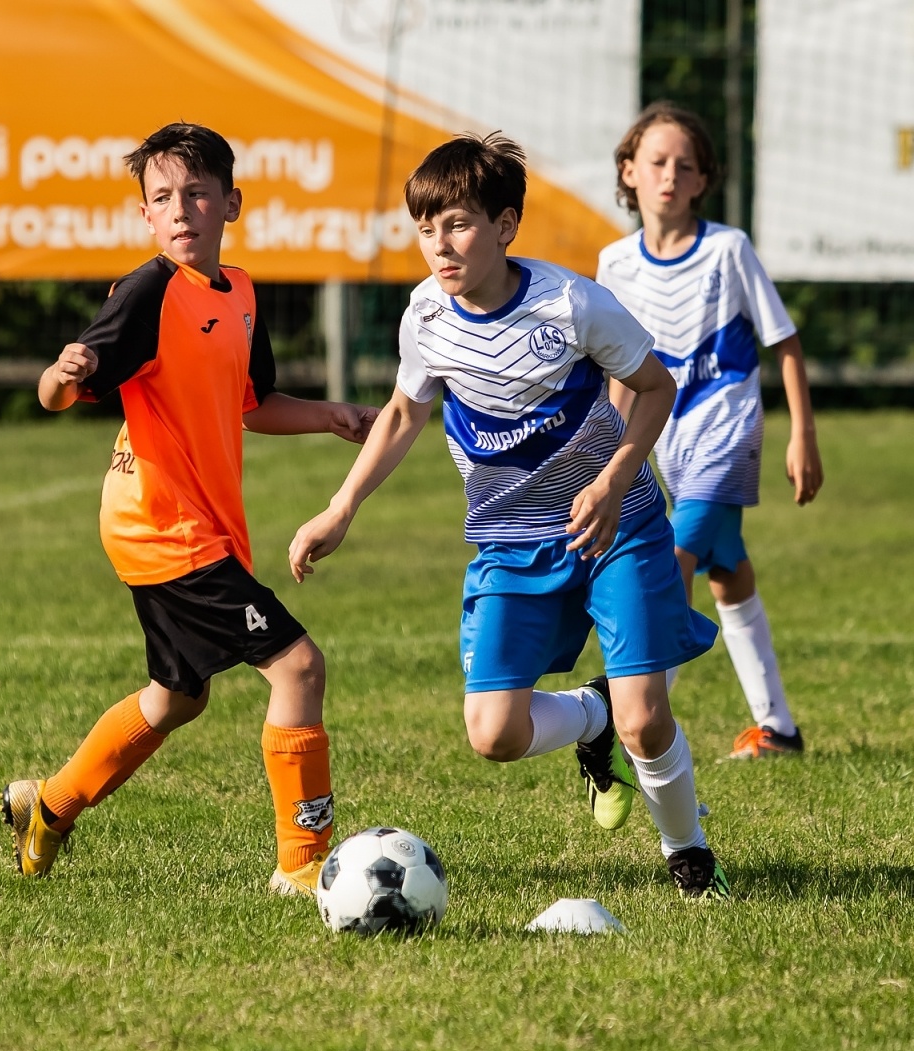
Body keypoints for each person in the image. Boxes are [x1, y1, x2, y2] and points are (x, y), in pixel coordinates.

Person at [289, 132, 732, 897]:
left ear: (505, 225)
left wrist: (614, 477)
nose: (440, 246)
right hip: (509, 543)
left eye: (457, 224)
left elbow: (655, 390)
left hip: (614, 526)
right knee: (493, 734)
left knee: (648, 719)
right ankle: (590, 717)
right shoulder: (426, 317)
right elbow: (401, 413)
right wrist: (340, 508)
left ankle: (688, 855)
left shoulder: (573, 305)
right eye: (425, 229)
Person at [0, 122, 377, 891]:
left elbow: (253, 401)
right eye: (163, 198)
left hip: (197, 525)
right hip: (162, 526)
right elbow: (59, 391)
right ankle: (304, 869)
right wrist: (59, 373)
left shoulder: (238, 291)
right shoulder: (148, 292)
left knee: (176, 699)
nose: (180, 210)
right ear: (145, 216)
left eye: (197, 193)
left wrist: (330, 413)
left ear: (230, 203)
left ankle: (49, 807)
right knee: (299, 668)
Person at [597, 102, 823, 760]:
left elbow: (783, 341)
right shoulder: (614, 263)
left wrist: (802, 434)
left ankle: (626, 731)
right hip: (657, 441)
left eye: (684, 165)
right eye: (657, 162)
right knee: (728, 573)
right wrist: (610, 457)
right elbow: (616, 369)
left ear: (703, 181)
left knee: (669, 568)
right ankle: (778, 727)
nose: (670, 175)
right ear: (629, 172)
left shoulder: (729, 250)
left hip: (726, 433)